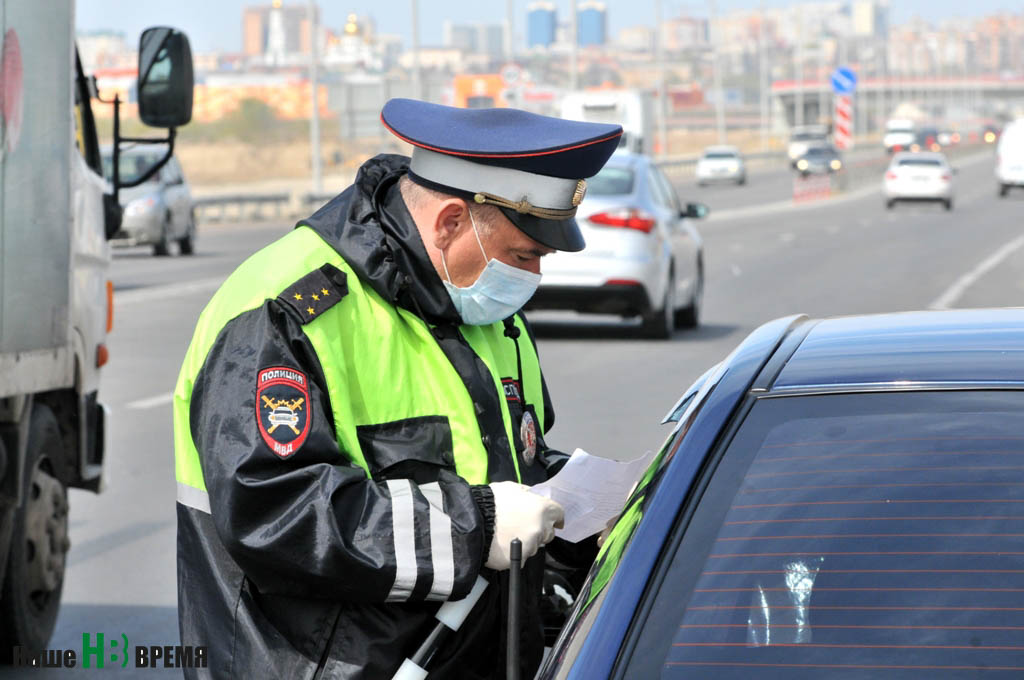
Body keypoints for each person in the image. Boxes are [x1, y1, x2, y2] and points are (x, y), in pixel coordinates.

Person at [172, 98, 623, 679]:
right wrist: (478, 526)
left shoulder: (480, 307)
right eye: (524, 254)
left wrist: (576, 510)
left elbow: (502, 464)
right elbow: (275, 512)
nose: (534, 277)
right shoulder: (286, 311)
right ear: (451, 222)